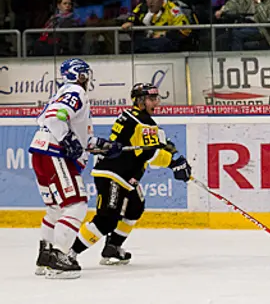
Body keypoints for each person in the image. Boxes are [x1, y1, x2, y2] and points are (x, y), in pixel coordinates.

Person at [68, 83, 192, 267]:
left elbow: (154, 143)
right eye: (151, 98)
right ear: (140, 101)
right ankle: (69, 254)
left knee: (134, 208)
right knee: (107, 219)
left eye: (156, 98)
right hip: (113, 174)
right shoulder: (141, 121)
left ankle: (113, 248)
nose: (156, 102)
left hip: (126, 176)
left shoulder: (135, 118)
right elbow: (149, 153)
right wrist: (174, 163)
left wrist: (169, 149)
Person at [29, 58, 122, 279]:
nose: (87, 79)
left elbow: (81, 137)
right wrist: (67, 139)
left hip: (41, 152)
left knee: (56, 209)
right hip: (54, 153)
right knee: (76, 205)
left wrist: (104, 146)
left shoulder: (62, 93)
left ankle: (46, 256)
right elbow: (55, 118)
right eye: (85, 74)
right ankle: (60, 258)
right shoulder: (75, 92)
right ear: (80, 75)